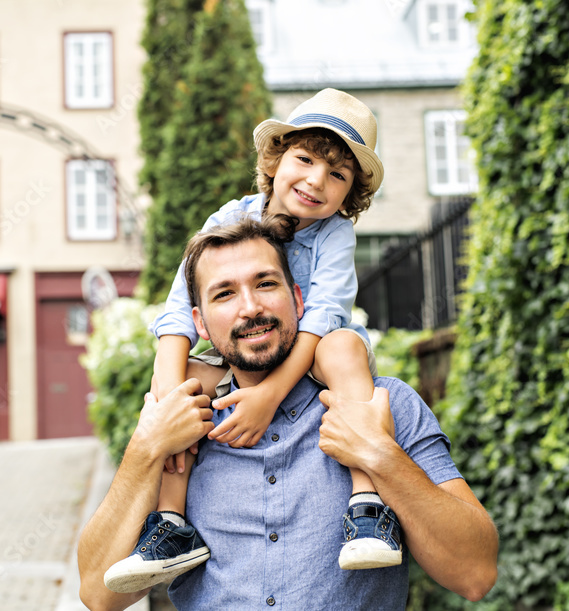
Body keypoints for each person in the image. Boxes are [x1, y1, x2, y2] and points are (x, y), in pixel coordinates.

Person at [77, 217, 499, 610]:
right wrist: (146, 447)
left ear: (298, 299)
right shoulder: (180, 424)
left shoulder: (381, 404)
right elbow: (98, 594)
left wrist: (379, 454)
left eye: (265, 284)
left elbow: (475, 574)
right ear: (199, 324)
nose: (250, 307)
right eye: (224, 293)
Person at [105, 88, 400, 594]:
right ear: (276, 159)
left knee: (343, 346)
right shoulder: (228, 219)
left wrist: (268, 397)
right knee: (183, 387)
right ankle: (172, 522)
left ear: (350, 193)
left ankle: (367, 504)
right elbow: (179, 311)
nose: (315, 180)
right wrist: (167, 412)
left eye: (337, 175)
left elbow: (321, 319)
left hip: (311, 352)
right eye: (304, 159)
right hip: (241, 353)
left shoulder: (334, 234)